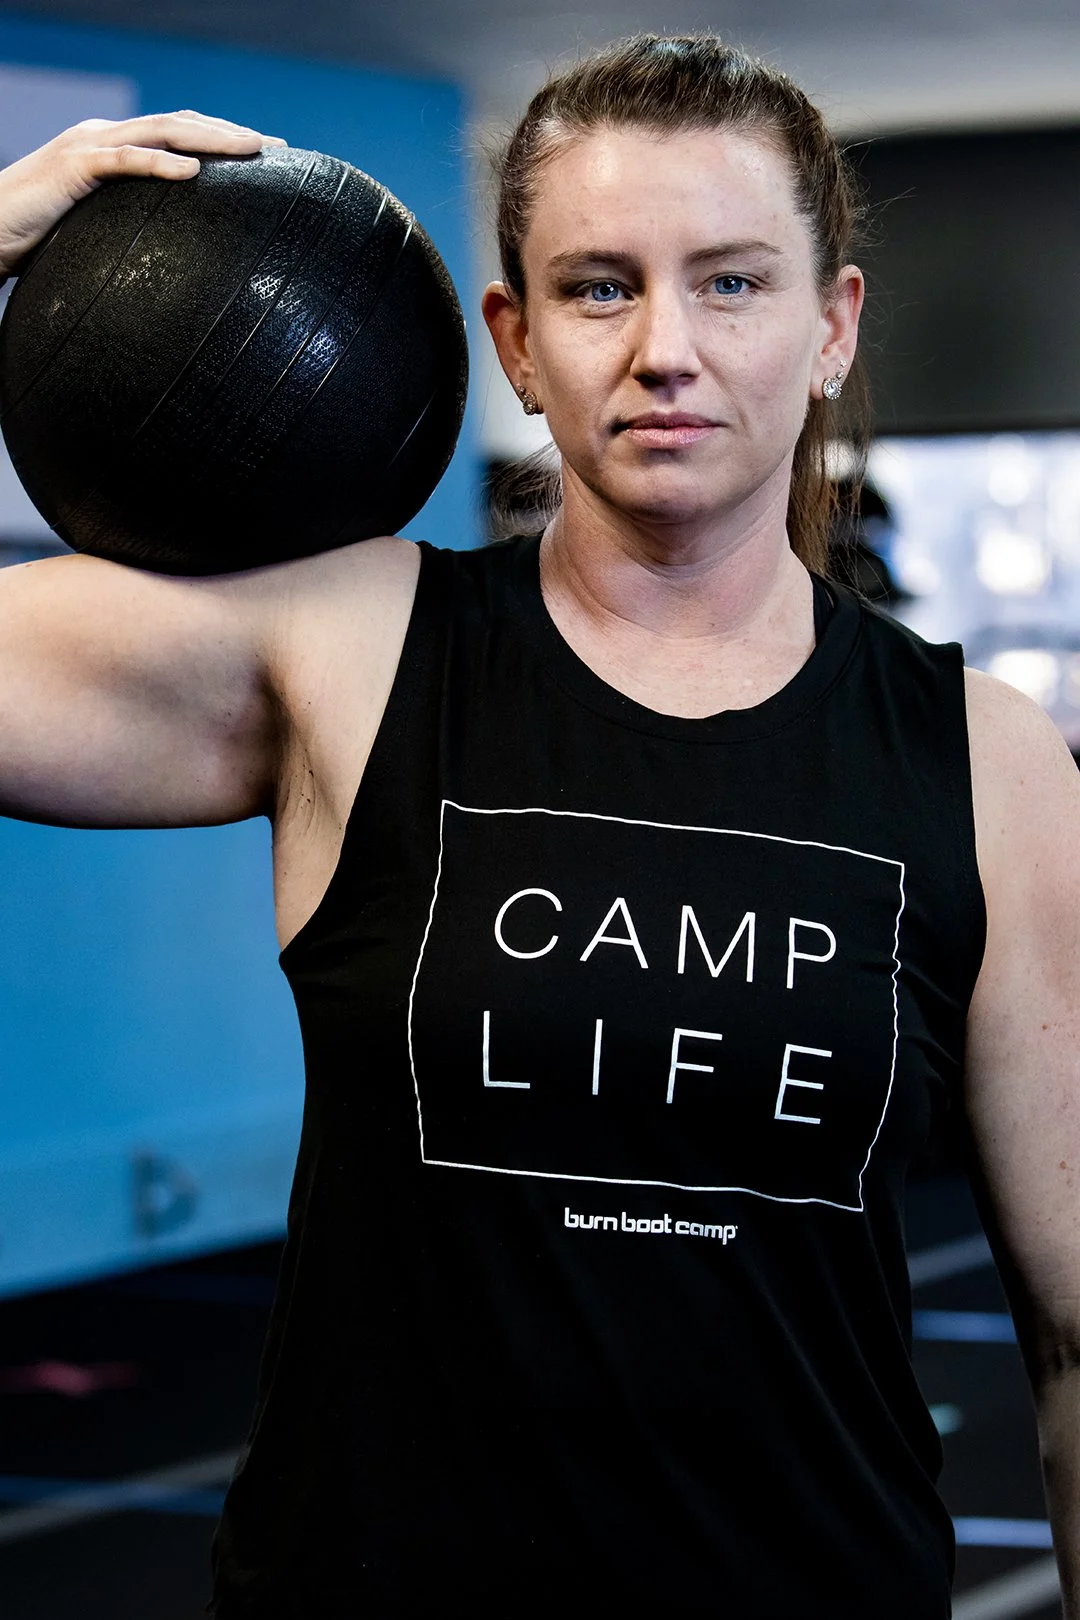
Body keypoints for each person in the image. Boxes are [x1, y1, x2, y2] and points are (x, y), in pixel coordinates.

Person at [0, 33, 1078, 1619]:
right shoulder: (346, 649)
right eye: (596, 286)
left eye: (730, 282)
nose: (664, 348)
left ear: (832, 325)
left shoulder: (987, 763)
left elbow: (1071, 1337)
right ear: (510, 339)